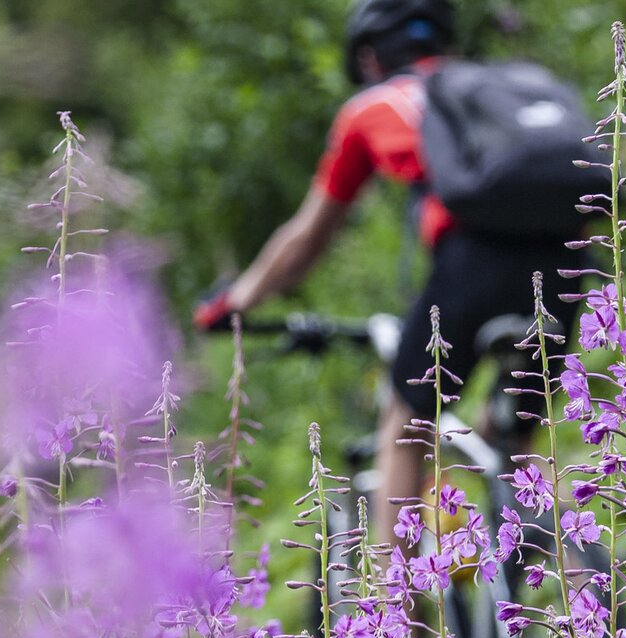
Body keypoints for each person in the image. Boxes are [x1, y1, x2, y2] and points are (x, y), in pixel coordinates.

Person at [195, 0, 584, 537]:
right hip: (568, 256)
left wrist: (235, 301)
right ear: (446, 44)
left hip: (471, 264)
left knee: (407, 423)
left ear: (371, 58)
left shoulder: (374, 106)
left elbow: (308, 235)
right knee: (521, 448)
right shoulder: (491, 93)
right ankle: (592, 595)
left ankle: (392, 611)